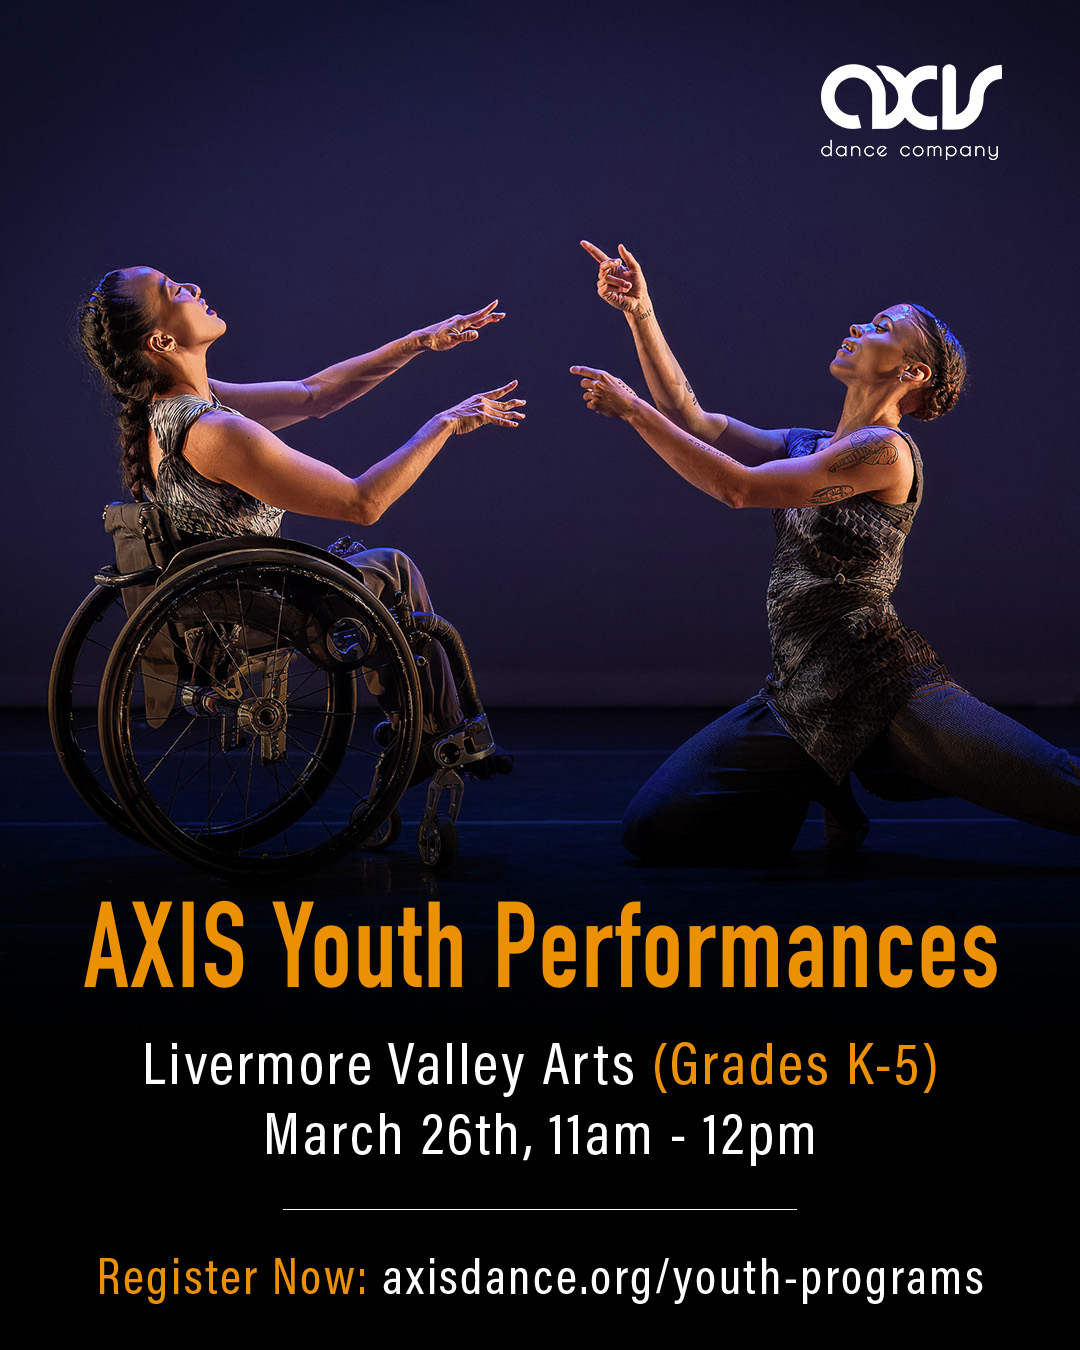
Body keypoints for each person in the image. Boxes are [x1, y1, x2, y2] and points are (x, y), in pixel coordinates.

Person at [572, 240, 1079, 862]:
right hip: (798, 690)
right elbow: (693, 419)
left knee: (1063, 789)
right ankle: (817, 776)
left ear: (912, 373)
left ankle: (845, 769)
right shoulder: (810, 444)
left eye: (881, 327)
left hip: (876, 682)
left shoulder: (885, 453)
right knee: (653, 827)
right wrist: (640, 312)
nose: (858, 327)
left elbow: (737, 488)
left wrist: (633, 413)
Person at [78, 265, 523, 755]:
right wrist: (443, 424)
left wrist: (419, 341)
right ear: (161, 342)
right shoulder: (213, 431)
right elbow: (363, 501)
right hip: (247, 612)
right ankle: (439, 738)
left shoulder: (175, 408)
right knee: (391, 568)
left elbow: (316, 395)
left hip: (227, 601)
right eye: (173, 291)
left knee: (367, 568)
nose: (194, 287)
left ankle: (419, 732)